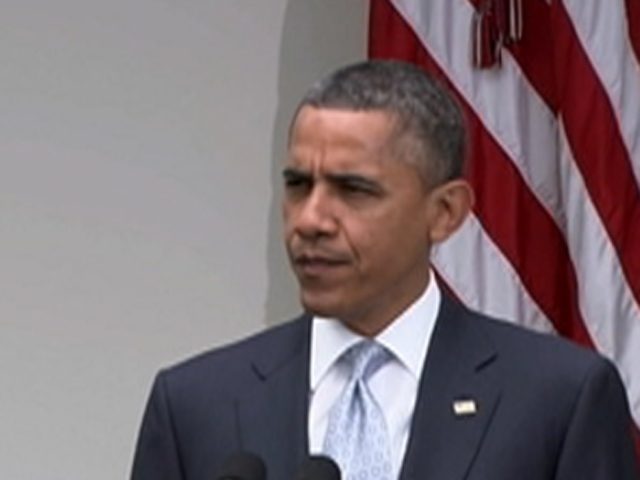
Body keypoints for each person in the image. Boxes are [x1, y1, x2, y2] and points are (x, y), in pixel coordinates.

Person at [130, 60, 639, 480]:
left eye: (353, 190)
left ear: (445, 213)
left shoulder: (559, 399)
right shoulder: (195, 405)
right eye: (298, 185)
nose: (310, 220)